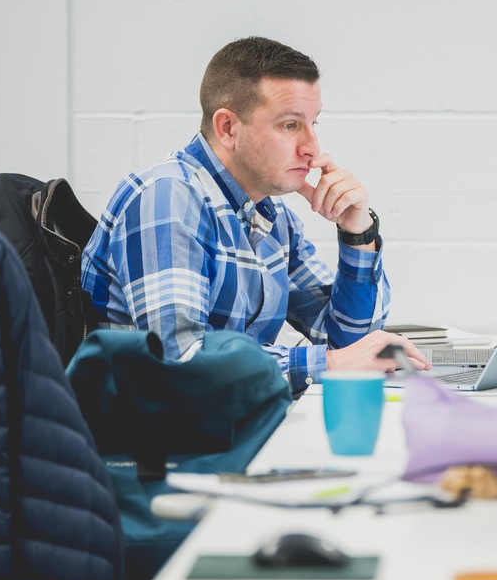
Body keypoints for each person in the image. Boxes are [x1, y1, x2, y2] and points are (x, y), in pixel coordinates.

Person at [81, 36, 430, 390]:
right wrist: (330, 363)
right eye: (290, 125)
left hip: (233, 422)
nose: (313, 148)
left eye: (314, 123)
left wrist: (359, 233)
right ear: (228, 128)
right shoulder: (169, 198)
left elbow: (352, 344)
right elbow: (181, 362)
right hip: (166, 439)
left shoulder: (270, 216)